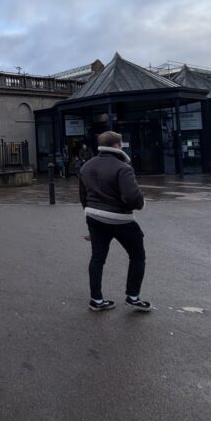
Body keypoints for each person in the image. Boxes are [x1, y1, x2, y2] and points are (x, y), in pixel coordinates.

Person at [79, 131, 152, 312]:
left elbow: (83, 196)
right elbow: (132, 197)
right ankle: (133, 296)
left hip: (94, 217)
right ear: (117, 145)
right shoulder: (123, 168)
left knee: (97, 258)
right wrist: (141, 203)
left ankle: (96, 300)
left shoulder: (86, 167)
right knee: (137, 256)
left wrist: (90, 219)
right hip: (121, 219)